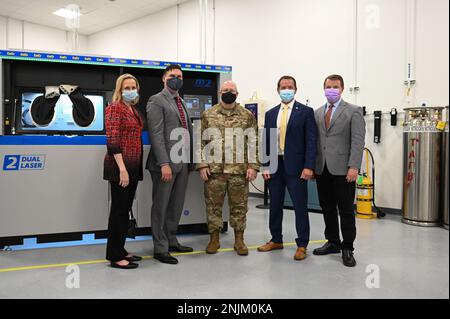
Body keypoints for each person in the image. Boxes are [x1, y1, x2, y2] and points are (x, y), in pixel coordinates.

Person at [258, 76, 317, 261]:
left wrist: (309, 166)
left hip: (297, 167)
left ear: (296, 89)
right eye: (283, 87)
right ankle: (276, 239)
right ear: (278, 90)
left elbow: (311, 141)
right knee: (275, 205)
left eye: (290, 87)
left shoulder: (306, 112)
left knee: (300, 206)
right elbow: (266, 141)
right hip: (276, 166)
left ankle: (302, 244)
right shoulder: (270, 113)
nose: (286, 89)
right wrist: (266, 165)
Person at [197, 81, 259, 256]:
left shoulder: (247, 115)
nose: (228, 93)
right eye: (225, 90)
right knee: (213, 207)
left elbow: (254, 142)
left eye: (231, 91)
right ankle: (214, 239)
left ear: (237, 94)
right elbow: (199, 141)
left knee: (239, 207)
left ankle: (239, 240)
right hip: (214, 171)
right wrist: (202, 164)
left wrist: (253, 166)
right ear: (219, 93)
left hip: (239, 171)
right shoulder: (208, 114)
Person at [313, 74, 366, 267]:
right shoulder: (317, 113)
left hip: (344, 170)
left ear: (342, 88)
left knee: (345, 209)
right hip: (322, 168)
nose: (331, 90)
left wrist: (354, 166)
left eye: (335, 86)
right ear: (324, 88)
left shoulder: (353, 111)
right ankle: (333, 242)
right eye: (328, 86)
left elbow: (358, 141)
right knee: (326, 207)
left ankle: (347, 247)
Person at [146, 64, 194, 265]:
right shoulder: (157, 100)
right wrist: (164, 162)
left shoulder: (180, 100)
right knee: (161, 206)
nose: (177, 79)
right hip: (165, 164)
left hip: (182, 161)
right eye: (173, 76)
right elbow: (156, 134)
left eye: (180, 76)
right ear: (164, 78)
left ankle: (171, 240)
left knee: (176, 205)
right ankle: (160, 248)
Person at [103, 73, 144, 270]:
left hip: (133, 166)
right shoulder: (114, 109)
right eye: (126, 88)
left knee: (125, 209)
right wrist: (122, 170)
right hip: (120, 168)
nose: (130, 91)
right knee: (118, 212)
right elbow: (112, 141)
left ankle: (121, 249)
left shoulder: (132, 109)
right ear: (119, 90)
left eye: (133, 87)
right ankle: (114, 255)